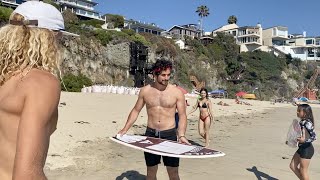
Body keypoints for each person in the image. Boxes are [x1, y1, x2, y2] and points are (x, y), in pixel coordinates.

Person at [0, 1, 75, 179]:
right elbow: (26, 174)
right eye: (60, 38)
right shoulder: (40, 82)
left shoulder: (4, 77)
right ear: (49, 37)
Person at [118, 59, 190, 180]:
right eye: (163, 75)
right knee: (151, 173)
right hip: (151, 135)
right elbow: (136, 110)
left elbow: (182, 115)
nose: (166, 78)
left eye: (168, 75)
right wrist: (125, 129)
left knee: (173, 173)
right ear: (155, 75)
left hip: (169, 135)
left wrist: (181, 135)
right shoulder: (145, 91)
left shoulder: (177, 93)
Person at [289, 104, 317, 180]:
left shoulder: (308, 123)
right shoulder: (302, 122)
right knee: (292, 166)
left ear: (305, 113)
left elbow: (314, 137)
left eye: (299, 111)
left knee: (303, 170)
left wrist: (304, 140)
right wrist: (292, 140)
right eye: (297, 110)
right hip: (302, 148)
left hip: (307, 149)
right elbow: (301, 135)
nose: (297, 112)